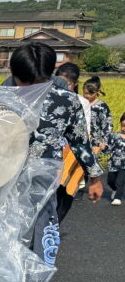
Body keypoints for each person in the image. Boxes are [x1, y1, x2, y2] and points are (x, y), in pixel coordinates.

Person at [0, 43, 103, 282]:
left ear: (49, 74)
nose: (29, 88)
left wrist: (95, 175)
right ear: (13, 73)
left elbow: (79, 142)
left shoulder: (67, 101)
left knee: (18, 249)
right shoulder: (0, 99)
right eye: (24, 81)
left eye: (37, 82)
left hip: (37, 186)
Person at [54, 61, 92, 221]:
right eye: (59, 82)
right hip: (50, 157)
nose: (62, 86)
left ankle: (50, 235)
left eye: (67, 84)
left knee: (64, 196)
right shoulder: (48, 96)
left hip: (69, 156)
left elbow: (84, 135)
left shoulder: (81, 103)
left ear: (75, 84)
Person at [108, 111, 125, 205]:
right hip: (113, 163)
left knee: (120, 181)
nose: (124, 128)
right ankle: (115, 190)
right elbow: (108, 148)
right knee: (110, 180)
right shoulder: (115, 135)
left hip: (124, 165)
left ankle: (118, 198)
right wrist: (104, 147)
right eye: (123, 126)